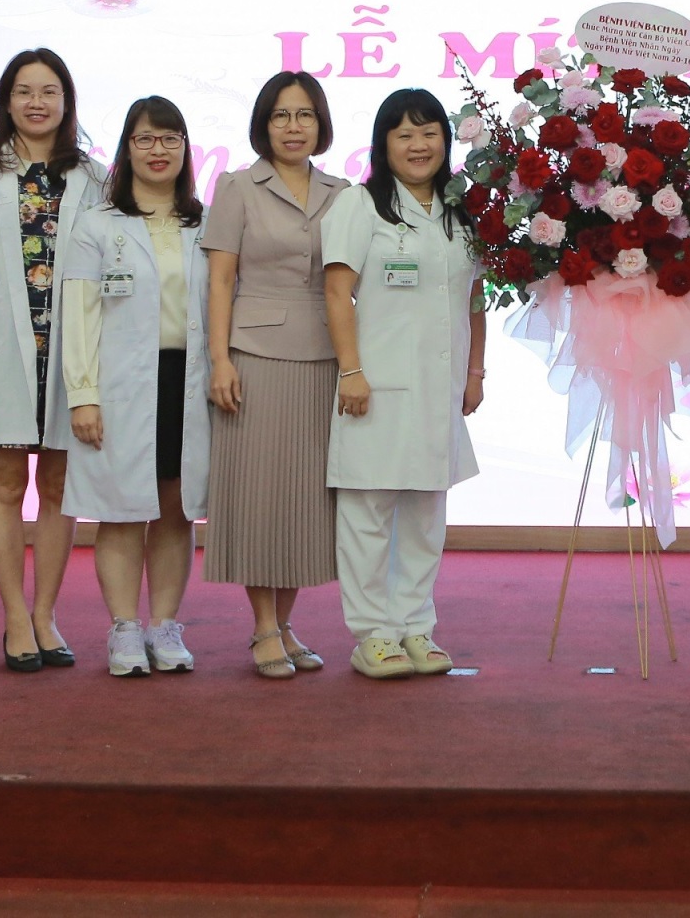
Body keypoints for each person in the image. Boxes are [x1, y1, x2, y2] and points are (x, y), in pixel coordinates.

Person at [0, 49, 106, 672]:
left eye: (49, 91)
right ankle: (14, 617)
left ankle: (45, 616)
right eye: (24, 91)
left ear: (66, 101)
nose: (37, 102)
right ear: (6, 101)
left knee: (60, 486)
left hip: (71, 352)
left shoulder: (94, 177)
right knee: (5, 485)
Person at [321, 88, 485, 680]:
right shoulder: (359, 205)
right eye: (405, 134)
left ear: (446, 140)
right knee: (368, 510)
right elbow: (336, 291)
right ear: (383, 143)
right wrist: (351, 370)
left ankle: (415, 625)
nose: (419, 145)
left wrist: (474, 372)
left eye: (430, 133)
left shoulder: (460, 213)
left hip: (440, 386)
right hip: (375, 383)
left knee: (424, 512)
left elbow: (474, 298)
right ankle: (373, 634)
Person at [203, 71, 348, 679]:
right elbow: (220, 280)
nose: (294, 126)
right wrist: (219, 360)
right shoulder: (237, 186)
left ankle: (286, 626)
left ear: (321, 124)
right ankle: (263, 627)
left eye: (305, 115)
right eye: (282, 115)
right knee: (259, 497)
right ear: (264, 124)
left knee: (304, 502)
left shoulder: (344, 193)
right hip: (254, 357)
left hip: (324, 358)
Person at [61, 96, 211, 679]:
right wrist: (83, 394)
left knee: (175, 510)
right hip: (120, 385)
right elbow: (79, 315)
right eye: (145, 139)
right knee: (121, 511)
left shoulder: (204, 222)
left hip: (186, 382)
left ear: (185, 148)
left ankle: (164, 625)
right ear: (127, 148)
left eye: (170, 138)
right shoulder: (99, 224)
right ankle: (124, 627)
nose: (158, 150)